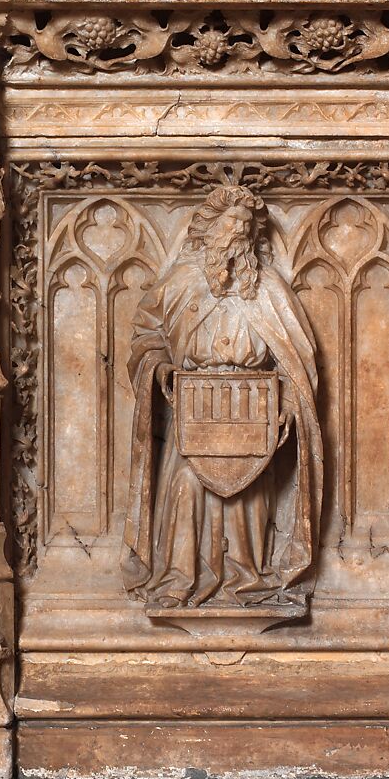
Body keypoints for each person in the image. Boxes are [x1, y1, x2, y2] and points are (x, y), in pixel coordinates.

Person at [122, 186, 323, 608]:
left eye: (248, 227)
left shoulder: (268, 289)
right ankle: (179, 577)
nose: (240, 232)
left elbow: (296, 360)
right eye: (232, 222)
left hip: (253, 410)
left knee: (249, 501)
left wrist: (287, 404)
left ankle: (245, 578)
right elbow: (147, 338)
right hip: (195, 409)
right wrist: (162, 370)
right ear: (211, 228)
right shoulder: (180, 284)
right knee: (184, 488)